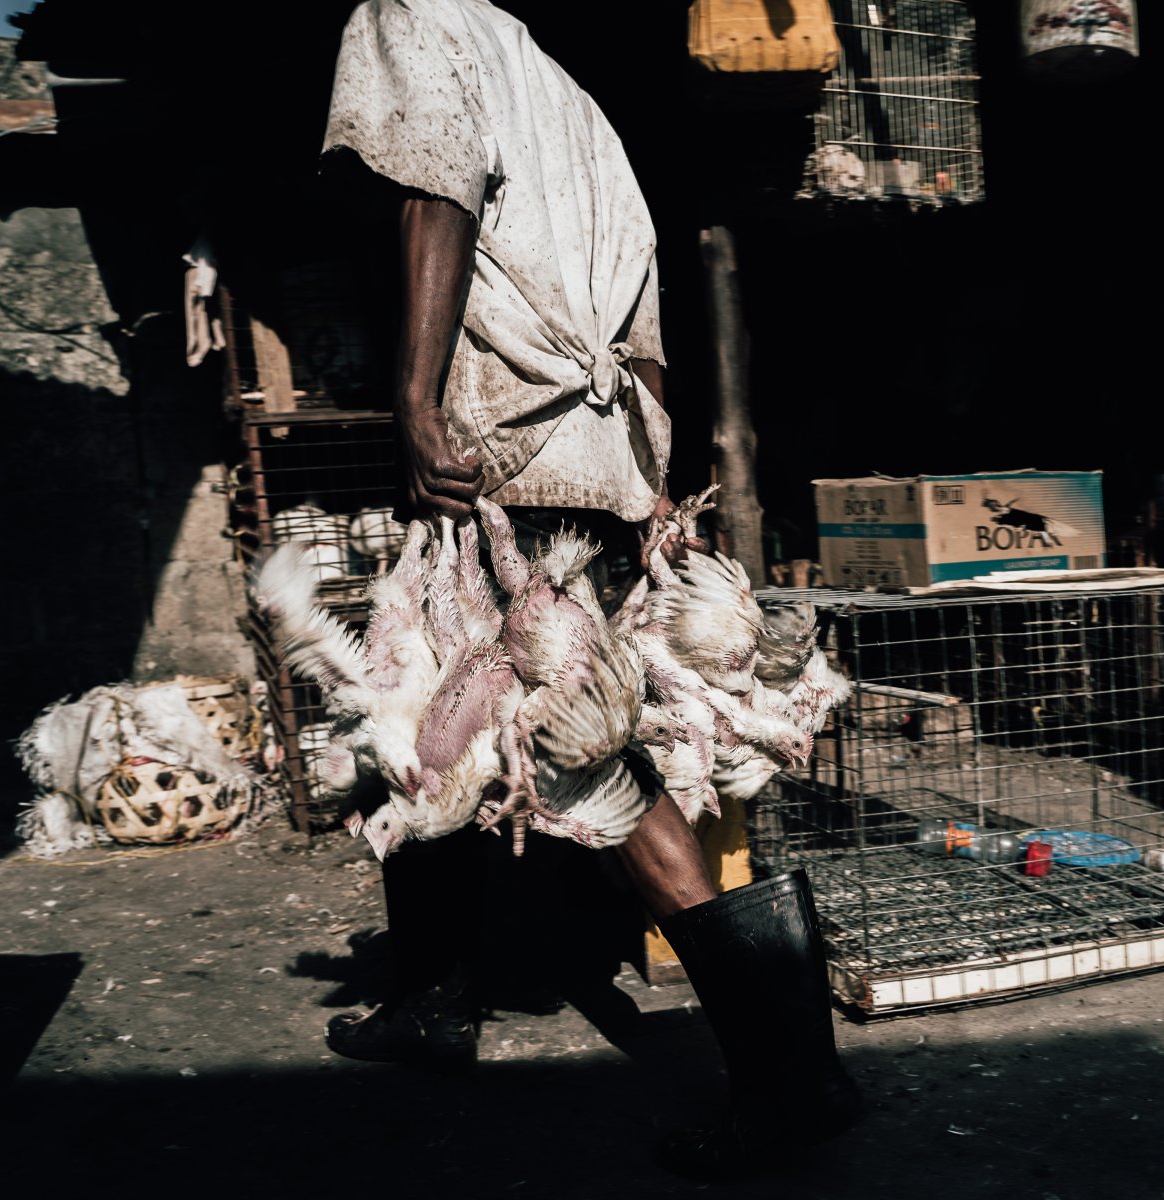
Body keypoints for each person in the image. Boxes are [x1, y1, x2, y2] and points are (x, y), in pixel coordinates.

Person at [313, 0, 860, 1178]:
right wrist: (645, 476)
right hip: (597, 454)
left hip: (508, 453)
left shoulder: (415, 16)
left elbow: (436, 191)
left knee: (586, 759)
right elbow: (647, 328)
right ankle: (434, 998)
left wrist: (414, 399)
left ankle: (791, 1079)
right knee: (437, 711)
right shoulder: (576, 104)